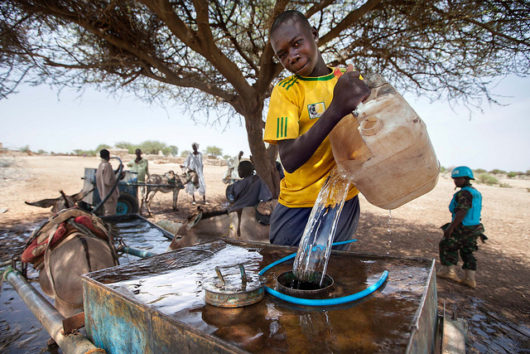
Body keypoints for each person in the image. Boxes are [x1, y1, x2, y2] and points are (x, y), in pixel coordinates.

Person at [263, 10, 370, 249]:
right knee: (286, 278)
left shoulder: (347, 80)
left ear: (314, 35)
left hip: (344, 201)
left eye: (297, 43)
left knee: (334, 277)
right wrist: (335, 109)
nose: (292, 56)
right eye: (282, 54)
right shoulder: (287, 91)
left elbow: (372, 131)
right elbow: (289, 159)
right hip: (299, 207)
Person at [438, 166, 486, 289]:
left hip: (462, 227)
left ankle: (449, 272)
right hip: (474, 228)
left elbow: (461, 212)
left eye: (458, 179)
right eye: (454, 179)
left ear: (466, 179)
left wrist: (450, 228)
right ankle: (470, 279)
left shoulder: (464, 193)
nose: (455, 181)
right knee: (467, 251)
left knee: (447, 244)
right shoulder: (475, 192)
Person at [96, 149, 120, 216]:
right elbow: (108, 182)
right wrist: (118, 178)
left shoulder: (101, 165)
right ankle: (110, 226)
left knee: (107, 211)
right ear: (108, 156)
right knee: (110, 213)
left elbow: (107, 176)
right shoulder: (107, 165)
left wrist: (118, 170)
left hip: (103, 193)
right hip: (109, 194)